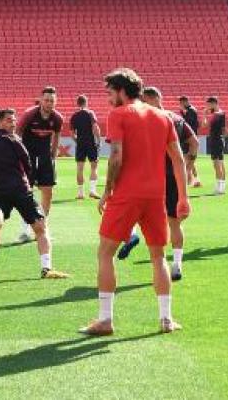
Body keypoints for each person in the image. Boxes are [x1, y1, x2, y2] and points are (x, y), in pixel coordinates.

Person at [79, 68, 188, 337]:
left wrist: (106, 190)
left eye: (109, 93)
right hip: (156, 196)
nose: (108, 99)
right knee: (158, 256)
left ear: (121, 91)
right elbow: (178, 158)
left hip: (127, 194)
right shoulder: (163, 116)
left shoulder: (118, 114)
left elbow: (116, 155)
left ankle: (105, 320)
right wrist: (183, 197)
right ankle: (166, 319)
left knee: (105, 253)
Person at [0, 108, 69, 280]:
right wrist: (26, 182)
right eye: (9, 120)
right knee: (41, 228)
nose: (14, 122)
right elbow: (28, 164)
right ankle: (46, 269)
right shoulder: (14, 140)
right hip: (20, 190)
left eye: (14, 119)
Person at [116, 88, 191, 282]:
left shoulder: (147, 119)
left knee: (139, 211)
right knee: (174, 222)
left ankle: (132, 235)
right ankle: (176, 264)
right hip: (174, 175)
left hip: (153, 176)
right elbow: (194, 143)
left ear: (150, 99)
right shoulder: (176, 118)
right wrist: (189, 165)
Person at [17, 88, 65, 240]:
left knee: (48, 192)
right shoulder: (29, 114)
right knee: (26, 191)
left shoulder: (57, 118)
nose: (49, 103)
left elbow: (57, 136)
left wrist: (53, 154)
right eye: (47, 100)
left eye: (52, 100)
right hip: (27, 156)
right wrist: (16, 154)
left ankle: (43, 227)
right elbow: (17, 133)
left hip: (45, 156)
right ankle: (25, 228)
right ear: (41, 100)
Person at [71, 95, 103, 200]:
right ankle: (92, 191)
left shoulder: (74, 116)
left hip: (80, 143)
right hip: (91, 142)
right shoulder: (90, 113)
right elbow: (95, 127)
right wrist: (98, 140)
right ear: (86, 102)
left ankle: (80, 193)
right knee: (94, 166)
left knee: (80, 168)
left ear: (77, 103)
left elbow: (72, 134)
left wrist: (78, 141)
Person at [204, 96, 228, 195]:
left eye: (208, 104)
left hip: (217, 140)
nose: (207, 106)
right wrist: (205, 115)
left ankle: (219, 186)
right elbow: (204, 125)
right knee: (220, 163)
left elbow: (225, 129)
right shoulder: (215, 114)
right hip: (216, 140)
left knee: (217, 164)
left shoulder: (219, 114)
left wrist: (221, 138)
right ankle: (222, 185)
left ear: (214, 103)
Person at [178, 96, 203, 188]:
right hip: (190, 138)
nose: (180, 105)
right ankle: (194, 180)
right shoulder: (189, 111)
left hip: (189, 139)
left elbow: (191, 124)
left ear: (185, 102)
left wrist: (184, 114)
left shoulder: (191, 111)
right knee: (189, 160)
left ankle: (190, 180)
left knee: (187, 159)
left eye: (181, 103)